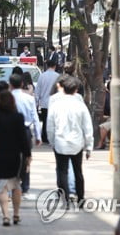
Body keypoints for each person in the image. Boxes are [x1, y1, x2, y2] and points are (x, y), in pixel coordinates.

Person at [0, 90, 31, 226]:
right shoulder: (18, 117)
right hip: (15, 156)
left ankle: (6, 216)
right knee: (16, 185)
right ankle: (16, 214)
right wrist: (28, 155)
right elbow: (23, 139)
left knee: (2, 187)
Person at [47, 76, 93, 205]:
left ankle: (65, 197)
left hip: (60, 142)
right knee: (78, 171)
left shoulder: (55, 105)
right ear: (76, 90)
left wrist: (52, 141)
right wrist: (89, 146)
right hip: (77, 143)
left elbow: (50, 126)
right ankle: (81, 197)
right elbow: (87, 126)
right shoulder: (80, 105)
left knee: (62, 170)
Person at [9, 74, 41, 194]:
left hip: (10, 131)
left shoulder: (7, 97)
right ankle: (25, 184)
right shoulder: (29, 98)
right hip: (25, 131)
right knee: (26, 157)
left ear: (10, 84)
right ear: (22, 84)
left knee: (11, 157)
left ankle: (12, 181)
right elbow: (35, 117)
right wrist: (38, 135)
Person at [35, 60, 59, 144]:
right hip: (55, 102)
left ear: (47, 66)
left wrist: (37, 101)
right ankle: (51, 136)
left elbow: (38, 90)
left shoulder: (42, 76)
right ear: (54, 66)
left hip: (44, 102)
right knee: (53, 121)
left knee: (45, 120)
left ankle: (44, 136)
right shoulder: (57, 76)